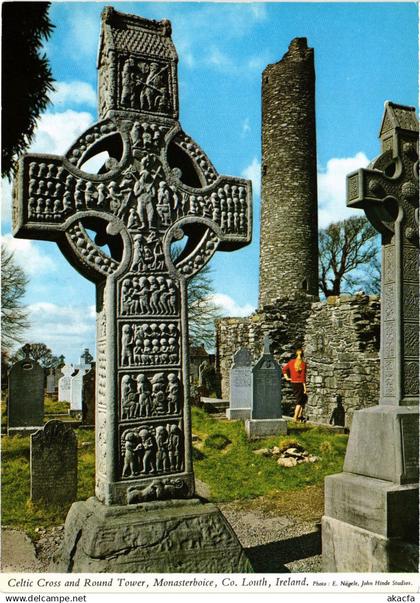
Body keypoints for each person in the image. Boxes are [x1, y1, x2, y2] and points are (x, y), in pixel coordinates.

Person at [282, 347, 307, 422]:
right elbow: (303, 378)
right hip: (300, 384)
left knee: (303, 399)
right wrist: (305, 388)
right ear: (302, 355)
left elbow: (284, 370)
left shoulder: (291, 362)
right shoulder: (303, 364)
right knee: (299, 401)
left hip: (293, 383)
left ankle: (299, 416)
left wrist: (287, 378)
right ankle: (295, 418)